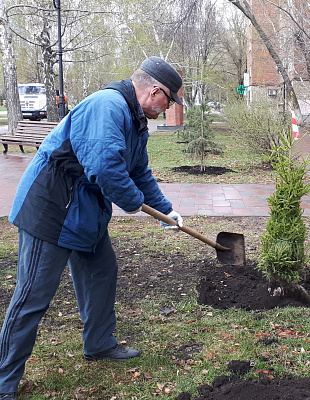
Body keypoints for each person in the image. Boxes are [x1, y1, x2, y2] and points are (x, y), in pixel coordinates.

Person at [0, 56, 184, 400]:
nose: (170, 106)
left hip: (84, 211)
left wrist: (166, 210)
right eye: (170, 100)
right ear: (156, 91)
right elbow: (105, 167)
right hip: (51, 209)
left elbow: (139, 172)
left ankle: (99, 343)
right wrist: (132, 202)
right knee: (31, 297)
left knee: (102, 272)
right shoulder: (108, 106)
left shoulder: (134, 118)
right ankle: (3, 381)